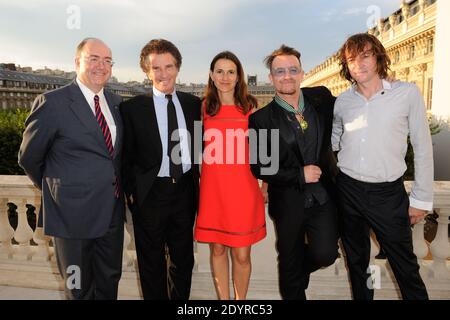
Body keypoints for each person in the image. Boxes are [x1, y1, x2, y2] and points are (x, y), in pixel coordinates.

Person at [18, 38, 124, 300]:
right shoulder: (52, 102)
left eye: (107, 60)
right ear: (77, 62)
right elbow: (29, 157)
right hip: (71, 214)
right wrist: (61, 189)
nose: (102, 66)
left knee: (110, 279)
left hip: (111, 209)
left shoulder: (116, 102)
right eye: (94, 59)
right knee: (78, 287)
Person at [332, 33, 433, 300]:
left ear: (378, 57)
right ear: (346, 66)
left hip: (388, 194)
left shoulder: (406, 93)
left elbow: (422, 147)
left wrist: (421, 198)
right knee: (357, 265)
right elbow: (334, 139)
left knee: (405, 267)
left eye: (365, 55)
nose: (359, 64)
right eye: (352, 59)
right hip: (348, 190)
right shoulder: (343, 102)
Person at [248, 45, 339, 300]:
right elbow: (259, 167)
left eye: (292, 70)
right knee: (288, 266)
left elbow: (353, 103)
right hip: (288, 201)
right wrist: (299, 175)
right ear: (271, 77)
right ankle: (294, 277)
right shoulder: (260, 120)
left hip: (323, 197)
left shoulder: (321, 98)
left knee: (326, 254)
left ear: (302, 73)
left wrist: (384, 85)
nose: (287, 76)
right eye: (280, 71)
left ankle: (298, 270)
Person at [120, 39, 201, 300]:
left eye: (169, 66)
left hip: (185, 191)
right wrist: (133, 193)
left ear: (178, 68)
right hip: (150, 195)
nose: (163, 73)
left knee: (183, 261)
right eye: (156, 68)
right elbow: (125, 156)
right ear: (146, 71)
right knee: (151, 263)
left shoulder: (193, 105)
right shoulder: (131, 109)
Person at [194, 51, 266, 300]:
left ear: (239, 77)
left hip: (244, 189)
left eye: (231, 72)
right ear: (212, 76)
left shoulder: (252, 107)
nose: (225, 77)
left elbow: (267, 150)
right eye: (220, 71)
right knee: (217, 249)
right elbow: (193, 151)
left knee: (242, 254)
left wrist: (265, 186)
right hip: (213, 190)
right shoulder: (203, 108)